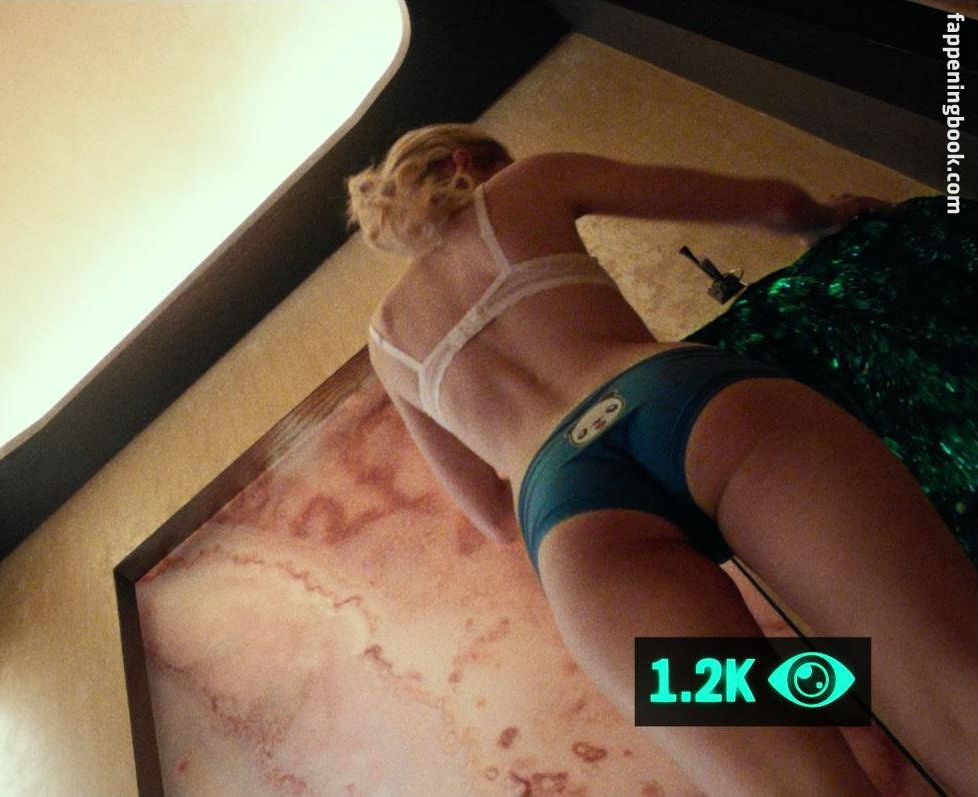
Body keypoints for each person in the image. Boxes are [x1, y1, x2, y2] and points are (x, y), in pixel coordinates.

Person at [345, 123, 978, 795]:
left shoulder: (387, 341)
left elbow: (495, 517)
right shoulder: (521, 188)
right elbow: (776, 204)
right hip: (691, 410)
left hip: (571, 518)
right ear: (464, 161)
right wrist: (826, 220)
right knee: (950, 693)